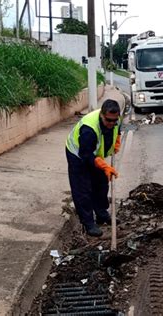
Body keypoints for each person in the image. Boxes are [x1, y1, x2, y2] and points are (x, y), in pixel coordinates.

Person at [65, 99, 122, 237]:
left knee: (101, 183)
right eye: (108, 120)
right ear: (102, 115)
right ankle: (88, 222)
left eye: (114, 120)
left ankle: (101, 213)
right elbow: (86, 155)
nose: (111, 124)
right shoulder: (89, 129)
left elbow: (117, 129)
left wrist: (117, 140)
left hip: (95, 154)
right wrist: (103, 165)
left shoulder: (115, 120)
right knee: (83, 189)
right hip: (77, 155)